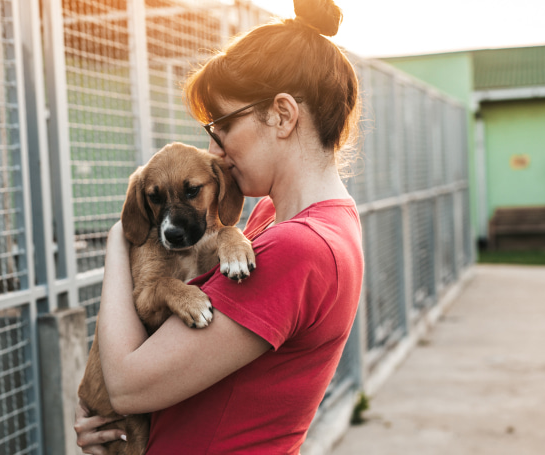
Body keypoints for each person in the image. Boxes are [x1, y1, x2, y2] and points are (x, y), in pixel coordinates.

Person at [74, 0, 364, 453]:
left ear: (283, 116)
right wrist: (112, 424)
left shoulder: (298, 247)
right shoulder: (279, 218)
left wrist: (119, 238)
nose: (214, 148)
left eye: (221, 125)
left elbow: (128, 386)